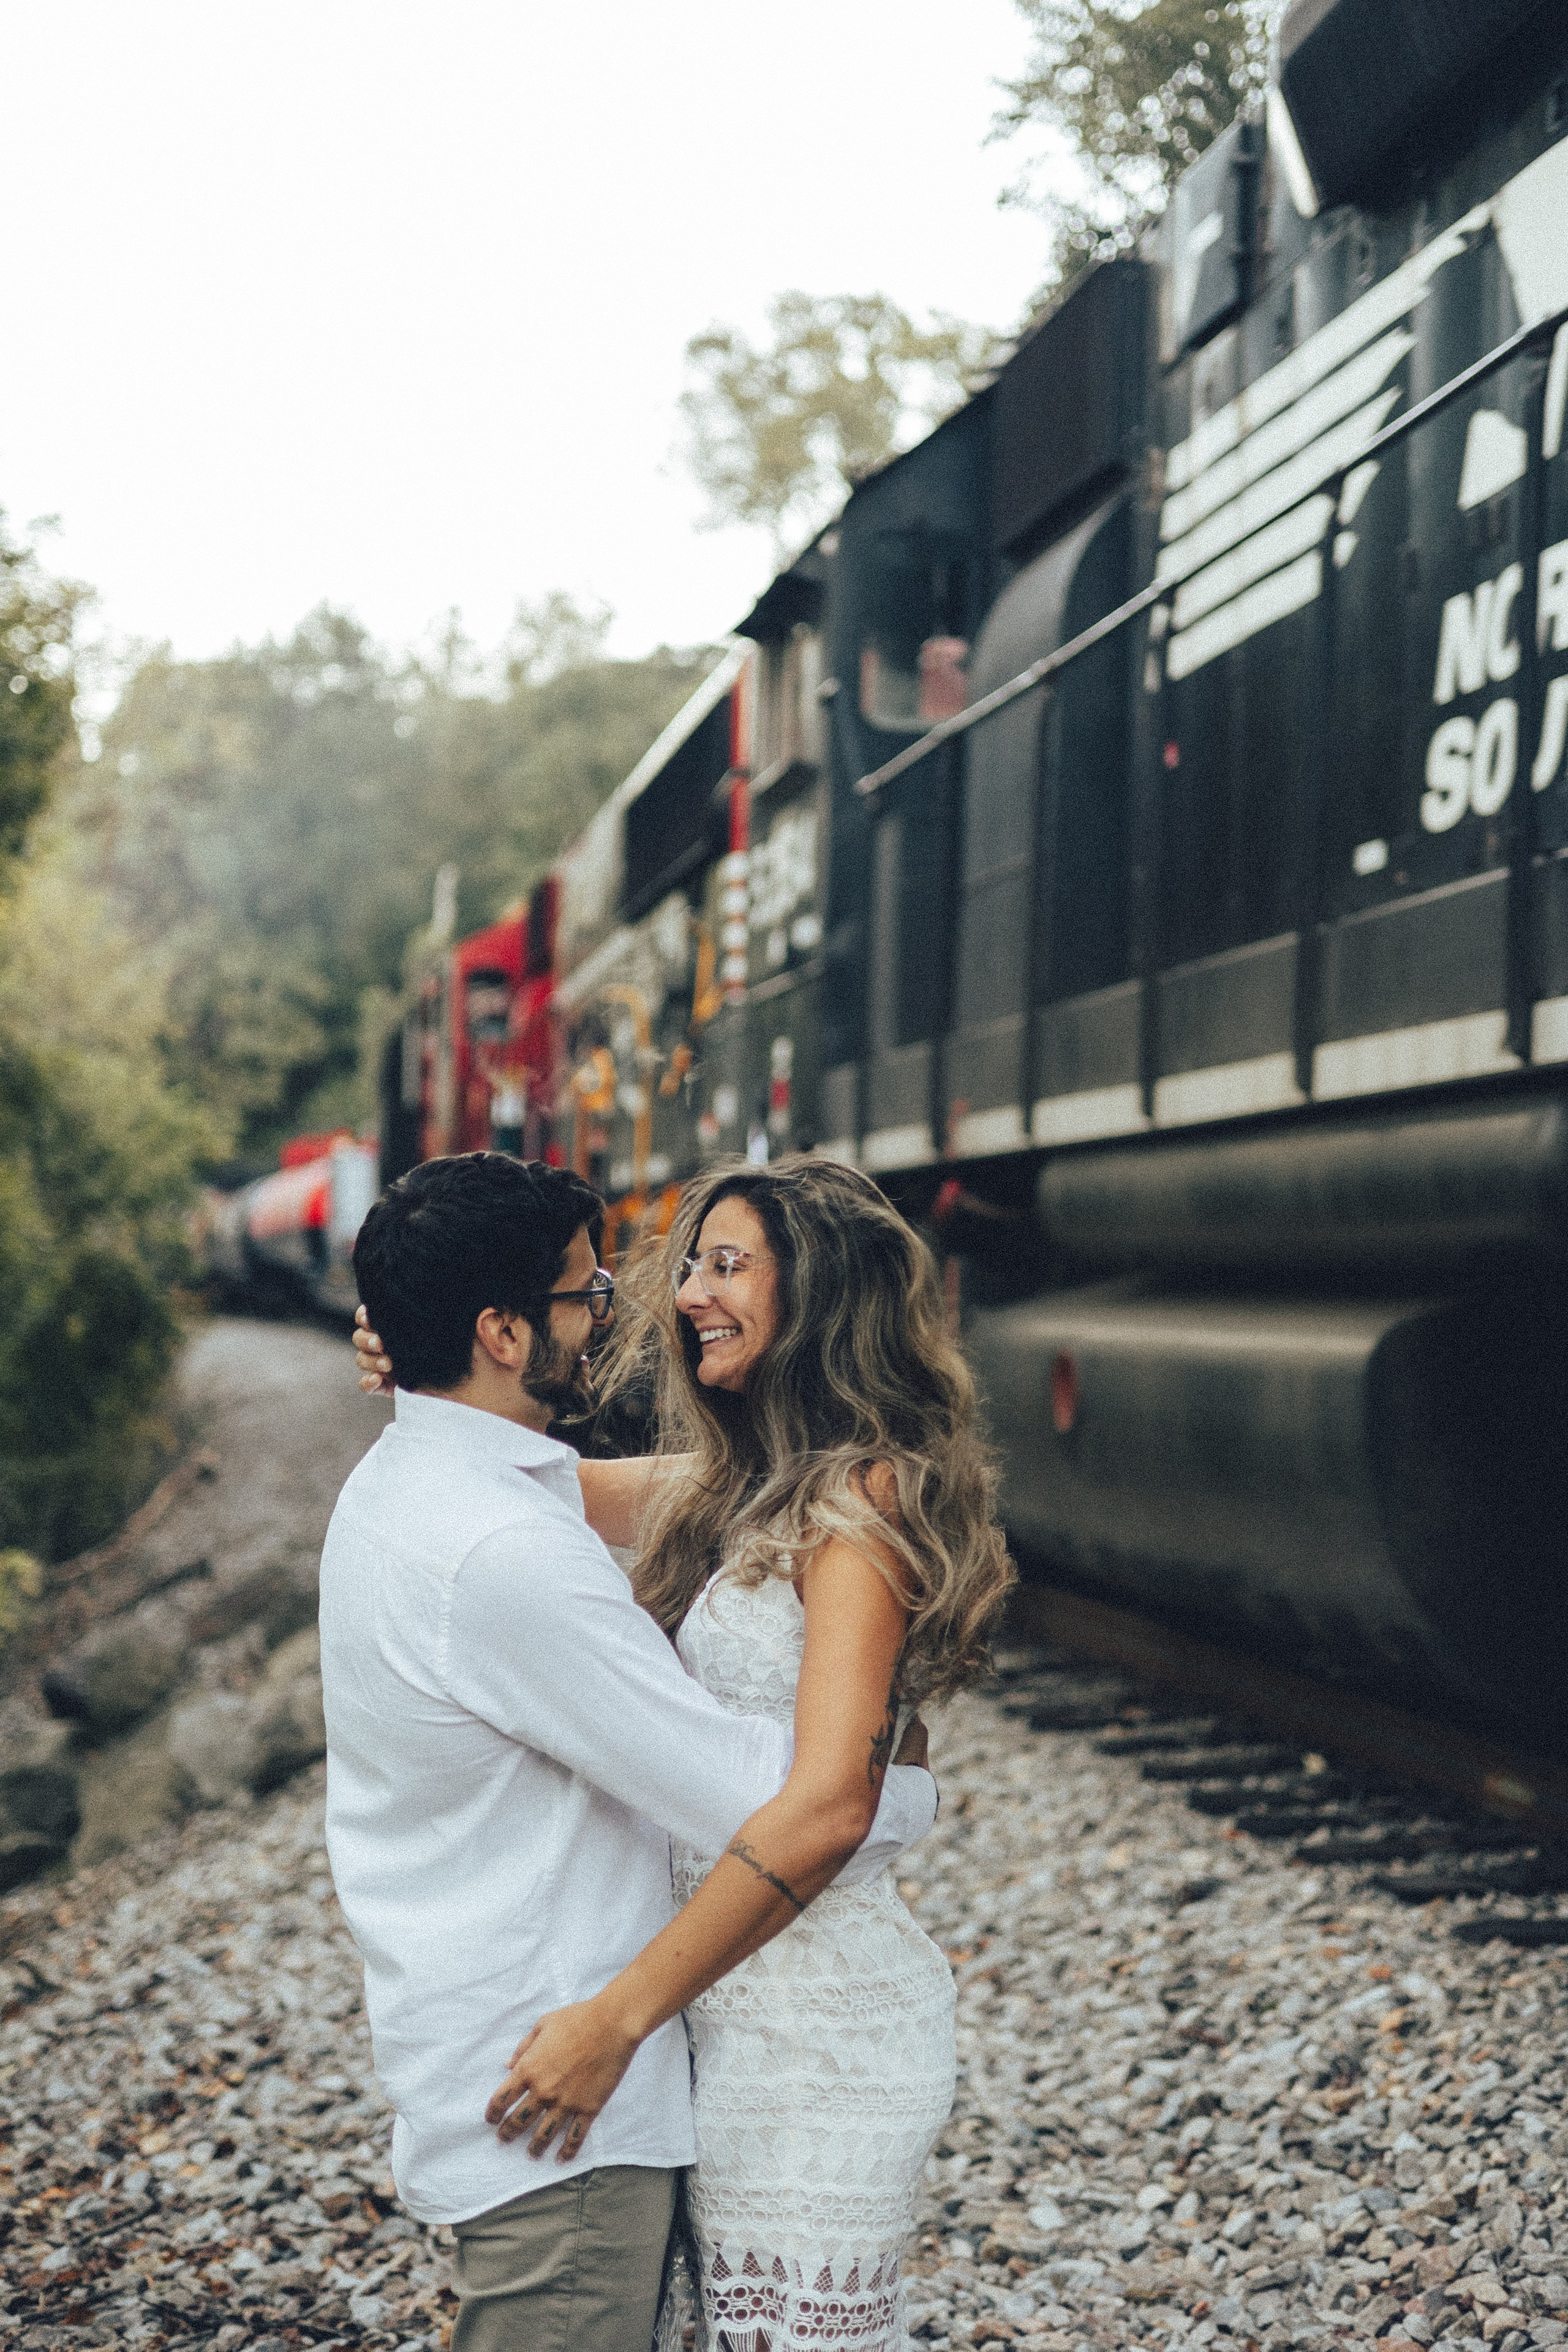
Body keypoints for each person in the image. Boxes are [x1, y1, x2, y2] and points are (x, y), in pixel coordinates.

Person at [355, 1153, 1014, 2352]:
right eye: (690, 1265)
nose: (685, 1295)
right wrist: (430, 1352)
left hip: (814, 2028)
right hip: (730, 2020)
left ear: (815, 1296)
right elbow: (522, 1478)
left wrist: (616, 2017)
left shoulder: (856, 1507)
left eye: (726, 1265)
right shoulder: (740, 1487)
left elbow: (824, 1810)